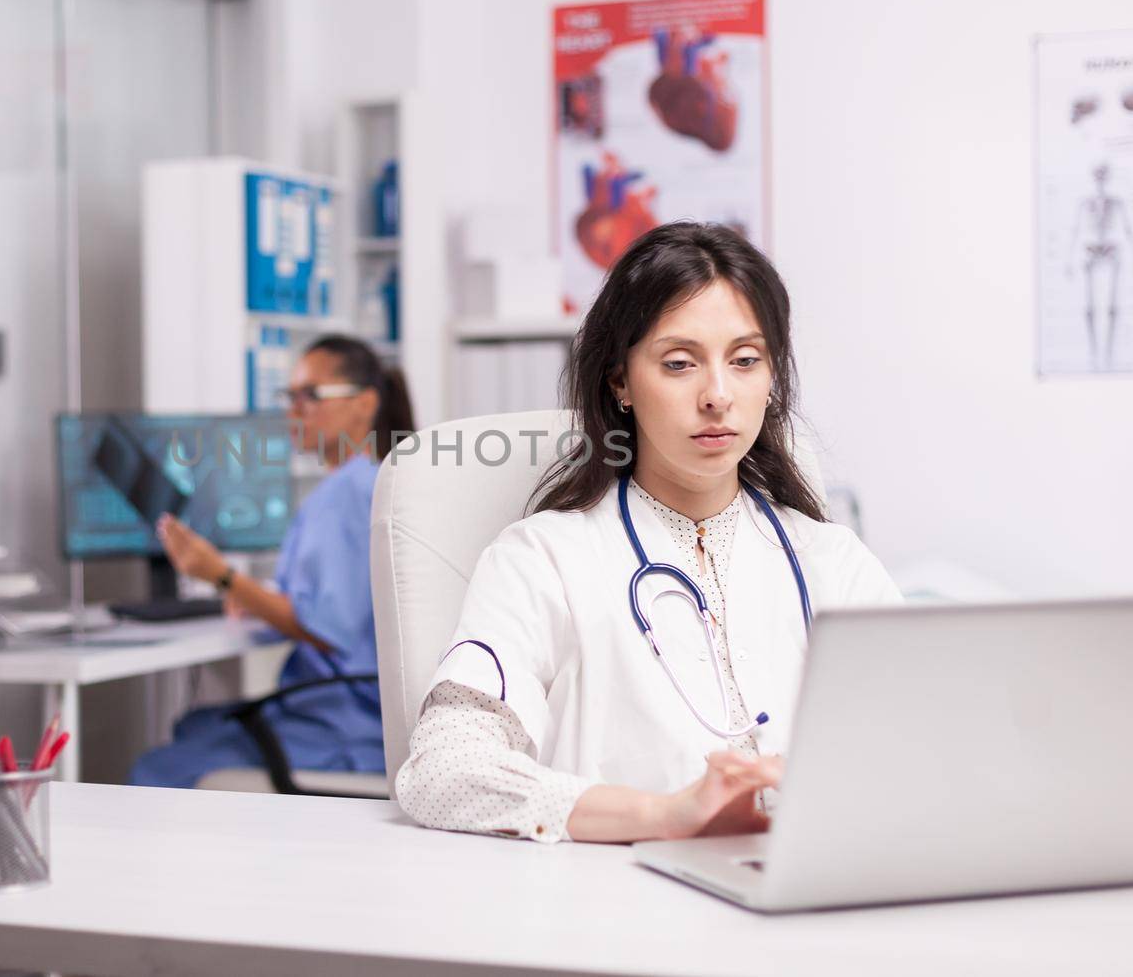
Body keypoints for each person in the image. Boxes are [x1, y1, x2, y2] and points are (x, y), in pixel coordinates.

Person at [394, 222, 901, 843]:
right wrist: (664, 816)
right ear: (620, 382)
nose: (718, 395)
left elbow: (930, 744)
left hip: (803, 900)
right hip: (612, 910)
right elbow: (443, 772)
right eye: (680, 363)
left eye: (745, 360)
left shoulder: (833, 562)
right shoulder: (545, 559)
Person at [129, 336, 416, 788]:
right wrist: (254, 597)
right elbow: (339, 608)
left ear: (364, 405)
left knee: (157, 768)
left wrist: (220, 576)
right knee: (195, 725)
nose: (294, 410)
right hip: (361, 712)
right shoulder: (370, 483)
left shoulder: (344, 494)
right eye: (290, 396)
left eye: (311, 396)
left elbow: (321, 628)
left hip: (342, 721)